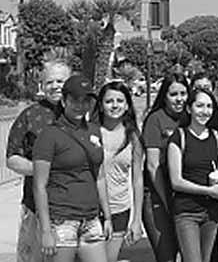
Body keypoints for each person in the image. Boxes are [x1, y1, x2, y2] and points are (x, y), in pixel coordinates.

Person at [32, 74, 112, 262]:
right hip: (61, 220)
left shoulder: (94, 130)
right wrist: (46, 231)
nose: (80, 106)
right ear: (64, 101)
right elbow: (39, 186)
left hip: (91, 219)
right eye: (75, 100)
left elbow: (99, 176)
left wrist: (107, 216)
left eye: (86, 101)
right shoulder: (50, 135)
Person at [6, 59, 71, 262]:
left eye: (60, 81)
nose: (55, 86)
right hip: (35, 206)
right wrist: (42, 169)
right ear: (42, 85)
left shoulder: (82, 114)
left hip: (74, 207)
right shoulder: (29, 115)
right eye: (50, 82)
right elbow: (12, 158)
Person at [168, 87, 218, 262]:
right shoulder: (179, 136)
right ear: (189, 109)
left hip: (211, 212)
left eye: (209, 106)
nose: (205, 111)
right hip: (187, 212)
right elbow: (176, 181)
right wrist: (208, 191)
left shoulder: (216, 137)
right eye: (200, 106)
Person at [94, 80, 144, 262]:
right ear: (101, 105)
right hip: (90, 209)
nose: (114, 105)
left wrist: (136, 220)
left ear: (127, 105)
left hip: (119, 209)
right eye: (109, 101)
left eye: (120, 101)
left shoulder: (133, 137)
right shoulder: (91, 132)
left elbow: (137, 179)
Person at [142, 71, 190, 262]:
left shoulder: (191, 117)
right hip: (158, 195)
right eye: (173, 94)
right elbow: (152, 165)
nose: (179, 99)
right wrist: (167, 202)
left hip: (185, 195)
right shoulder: (155, 119)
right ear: (164, 96)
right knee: (167, 256)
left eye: (183, 93)